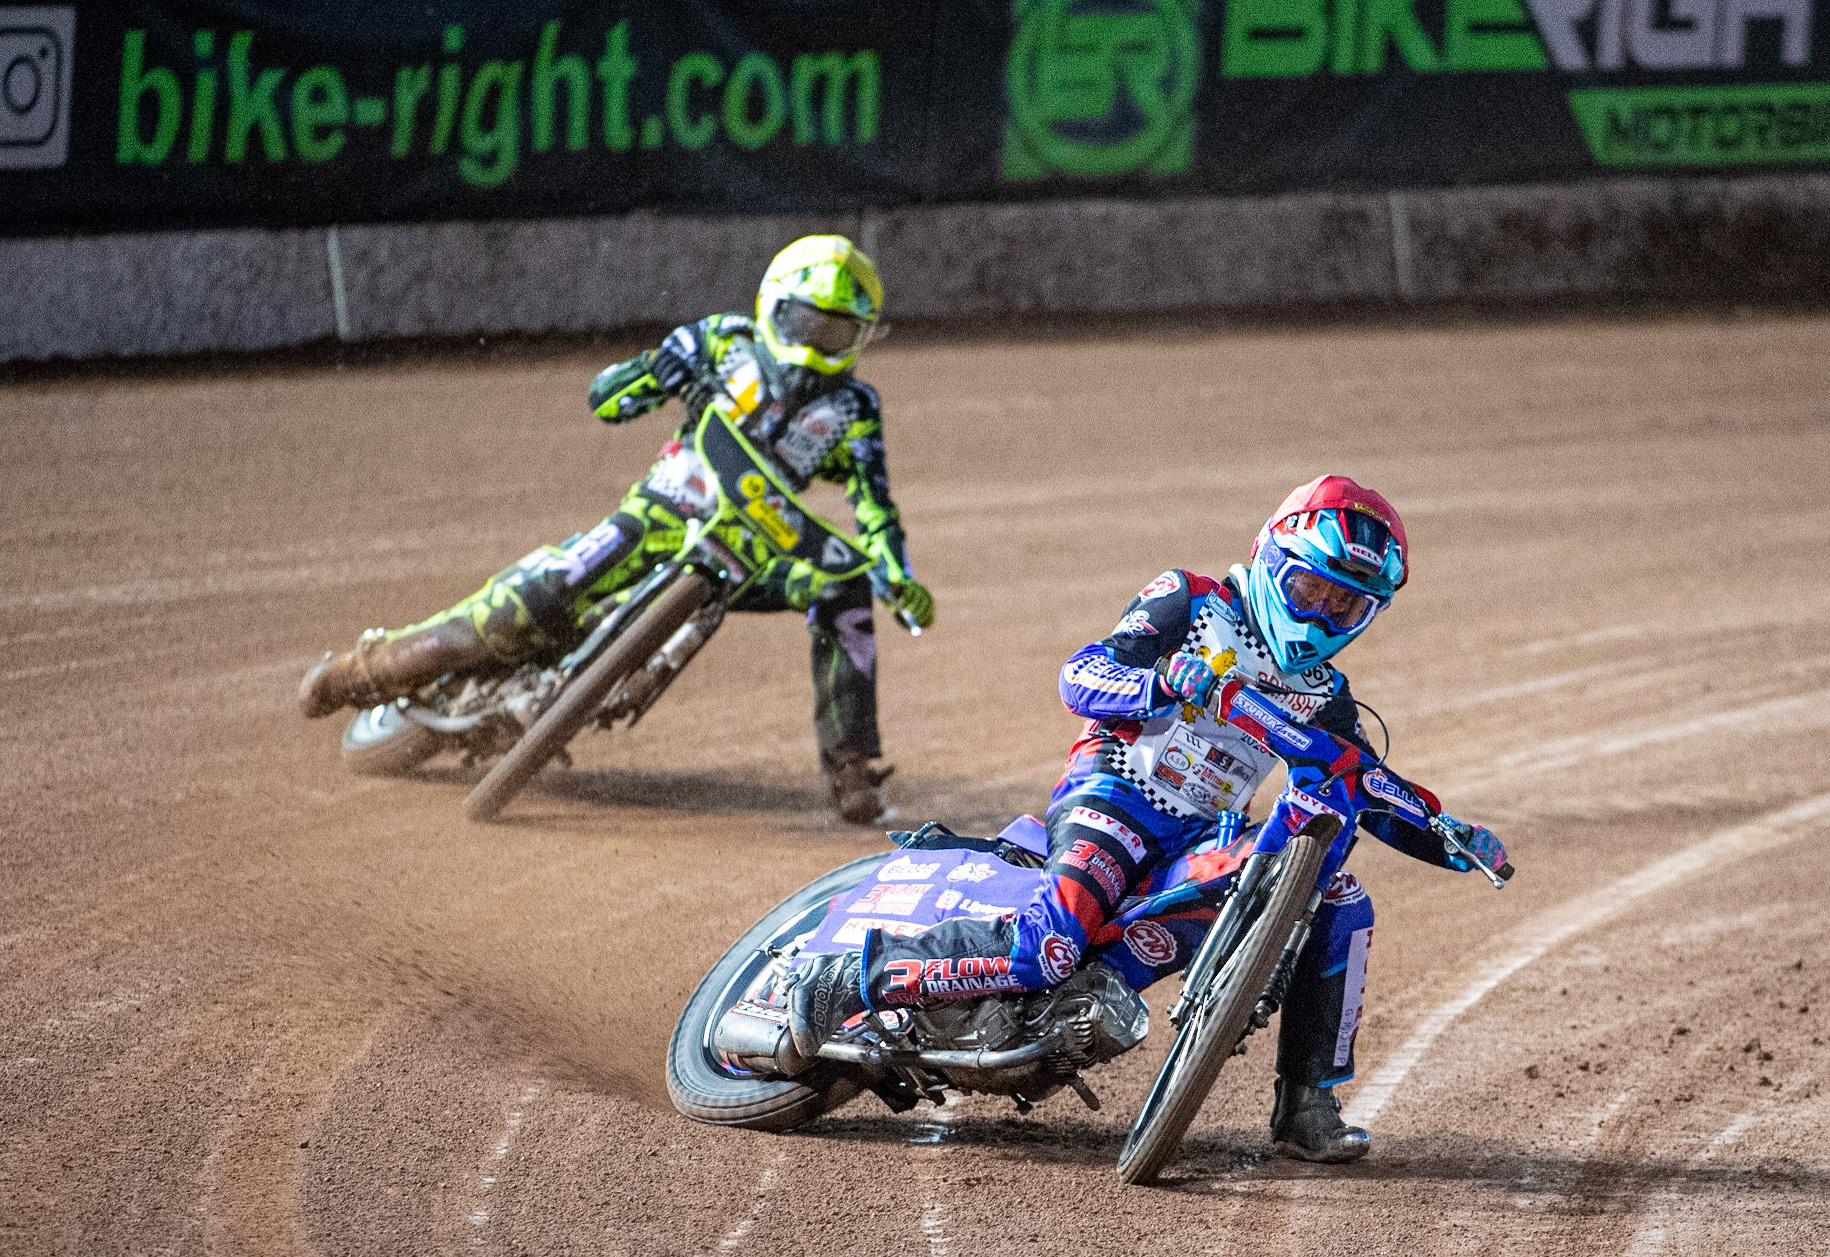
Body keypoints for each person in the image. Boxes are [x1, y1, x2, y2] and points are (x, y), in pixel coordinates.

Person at [787, 475, 1512, 1160]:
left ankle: (1307, 1107)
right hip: (1115, 790)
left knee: (1342, 897)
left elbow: (1365, 791)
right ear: (1269, 557)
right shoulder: (1192, 601)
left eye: (1346, 606)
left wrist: (1451, 836)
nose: (1322, 614)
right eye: (1310, 587)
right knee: (1051, 947)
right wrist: (1159, 682)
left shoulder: (1327, 695)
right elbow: (1081, 674)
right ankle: (848, 978)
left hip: (1202, 835)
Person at [298, 235, 934, 824]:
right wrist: (658, 370)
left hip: (757, 549)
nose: (818, 345)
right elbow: (606, 399)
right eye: (807, 323)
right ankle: (358, 672)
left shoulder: (854, 408)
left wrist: (895, 573)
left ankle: (852, 765)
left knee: (841, 591)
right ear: (774, 305)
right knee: (515, 610)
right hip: (658, 515)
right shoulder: (721, 341)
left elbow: (873, 502)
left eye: (837, 332)